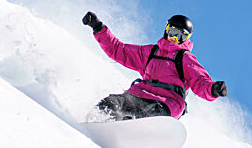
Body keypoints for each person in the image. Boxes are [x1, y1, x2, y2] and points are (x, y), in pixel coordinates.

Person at [83, 11, 227, 121]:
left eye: (180, 36)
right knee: (113, 102)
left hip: (166, 103)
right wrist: (98, 27)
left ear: (186, 39)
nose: (175, 38)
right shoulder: (150, 52)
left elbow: (200, 80)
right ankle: (97, 122)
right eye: (172, 32)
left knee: (149, 114)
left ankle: (136, 129)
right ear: (166, 30)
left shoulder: (184, 58)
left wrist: (213, 89)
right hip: (138, 96)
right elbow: (119, 50)